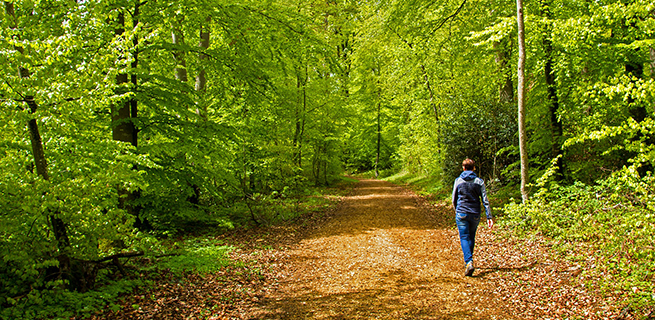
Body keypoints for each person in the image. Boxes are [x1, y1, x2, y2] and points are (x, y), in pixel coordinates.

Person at [452, 158, 493, 276]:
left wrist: (457, 210)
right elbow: (485, 200)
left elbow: (454, 198)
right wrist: (489, 216)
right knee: (471, 237)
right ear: (474, 168)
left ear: (463, 168)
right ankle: (469, 260)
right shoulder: (479, 182)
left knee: (464, 237)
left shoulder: (458, 181)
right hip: (475, 213)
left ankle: (469, 261)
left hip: (462, 213)